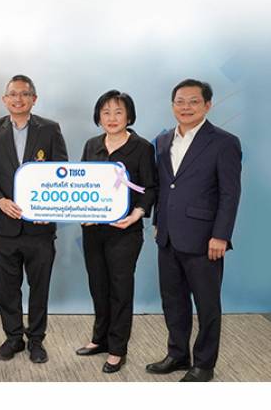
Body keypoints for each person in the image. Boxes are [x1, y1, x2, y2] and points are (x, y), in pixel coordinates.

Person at [146, 79, 242, 382]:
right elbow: (164, 187)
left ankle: (204, 364)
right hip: (167, 237)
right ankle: (177, 355)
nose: (185, 107)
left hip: (205, 239)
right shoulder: (163, 140)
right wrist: (157, 222)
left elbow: (230, 193)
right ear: (172, 105)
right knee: (173, 301)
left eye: (193, 101)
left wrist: (221, 235)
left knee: (207, 304)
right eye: (180, 101)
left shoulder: (224, 142)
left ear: (207, 105)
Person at [0, 74, 68, 364]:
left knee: (39, 288)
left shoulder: (50, 129)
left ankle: (37, 340)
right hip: (4, 226)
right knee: (7, 288)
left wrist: (48, 210)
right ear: (5, 99)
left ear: (34, 99)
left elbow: (61, 173)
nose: (18, 99)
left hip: (39, 228)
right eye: (13, 94)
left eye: (24, 94)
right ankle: (13, 338)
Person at [75, 90, 157, 373]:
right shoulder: (92, 145)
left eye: (118, 112)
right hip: (93, 231)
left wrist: (137, 214)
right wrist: (81, 213)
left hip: (125, 231)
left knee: (120, 289)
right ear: (98, 116)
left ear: (129, 116)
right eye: (106, 112)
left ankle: (117, 348)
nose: (112, 118)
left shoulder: (142, 148)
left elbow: (150, 188)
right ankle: (100, 339)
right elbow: (82, 184)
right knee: (98, 286)